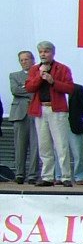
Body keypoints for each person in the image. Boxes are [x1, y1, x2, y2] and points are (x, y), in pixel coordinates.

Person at [25, 40, 75, 187]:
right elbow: (29, 88)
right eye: (40, 52)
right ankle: (47, 176)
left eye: (46, 51)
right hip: (40, 109)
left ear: (52, 53)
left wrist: (53, 81)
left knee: (61, 145)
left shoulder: (62, 68)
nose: (43, 54)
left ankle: (65, 176)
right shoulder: (35, 70)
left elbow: (70, 88)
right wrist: (40, 77)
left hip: (57, 110)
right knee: (44, 145)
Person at [9, 50, 38, 184]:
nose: (24, 62)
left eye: (26, 59)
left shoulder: (39, 74)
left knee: (35, 146)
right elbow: (15, 90)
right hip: (20, 114)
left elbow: (39, 90)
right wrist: (31, 89)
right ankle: (19, 174)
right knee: (19, 146)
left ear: (32, 60)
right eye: (21, 60)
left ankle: (32, 175)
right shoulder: (14, 75)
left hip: (35, 112)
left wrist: (25, 88)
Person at [60, 82, 83, 184]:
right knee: (59, 152)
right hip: (59, 123)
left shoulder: (77, 88)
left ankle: (79, 176)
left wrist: (76, 117)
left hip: (74, 124)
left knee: (77, 152)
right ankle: (59, 176)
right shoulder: (56, 88)